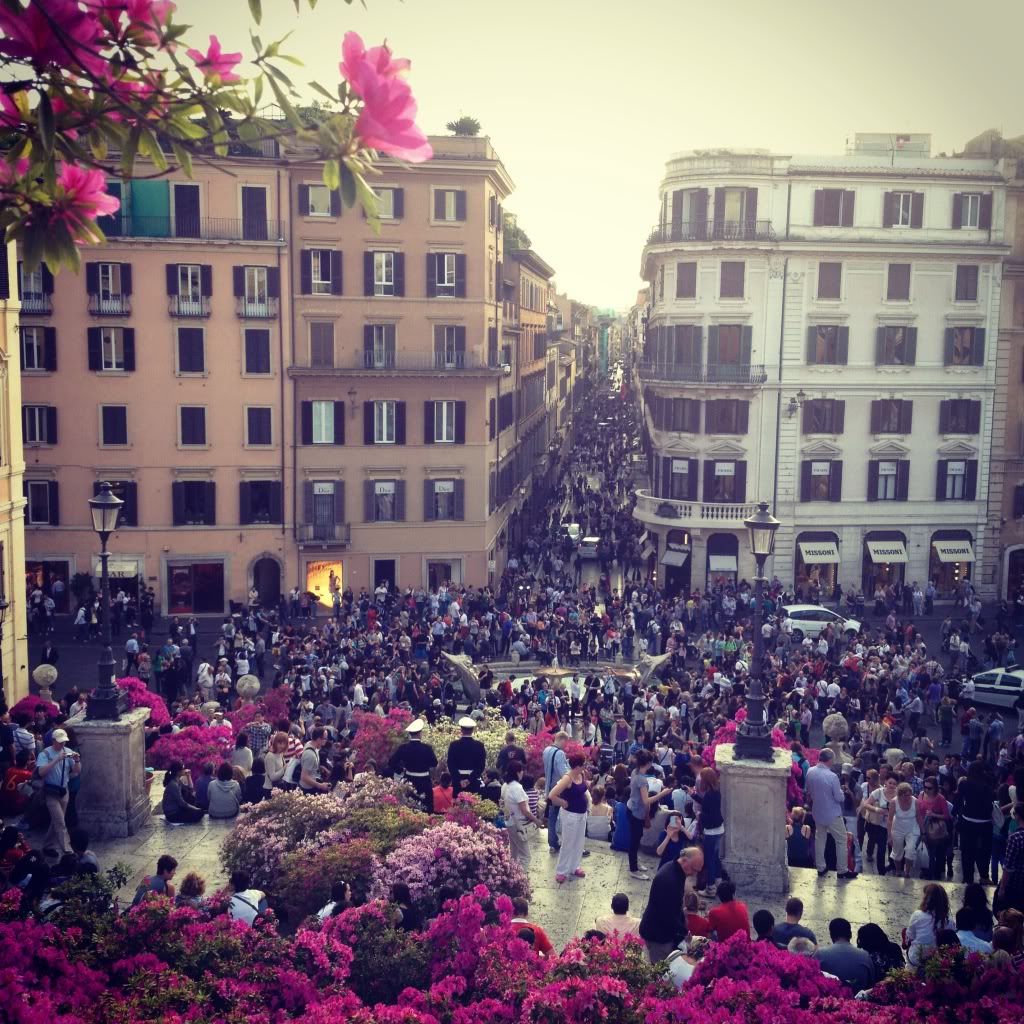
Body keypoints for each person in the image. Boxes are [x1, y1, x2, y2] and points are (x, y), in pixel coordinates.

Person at [638, 846, 703, 963]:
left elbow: (676, 907)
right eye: (694, 869)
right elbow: (668, 916)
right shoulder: (670, 880)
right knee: (660, 973)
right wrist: (682, 933)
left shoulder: (675, 869)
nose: (694, 874)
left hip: (660, 930)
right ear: (684, 860)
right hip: (658, 937)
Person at [805, 749, 855, 879]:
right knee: (841, 840)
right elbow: (839, 798)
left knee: (820, 839)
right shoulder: (832, 776)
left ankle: (821, 867)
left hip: (818, 811)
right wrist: (842, 792)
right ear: (829, 760)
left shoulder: (810, 771)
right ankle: (842, 870)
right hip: (832, 813)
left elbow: (809, 791)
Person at [34, 727, 80, 858]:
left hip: (64, 791)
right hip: (50, 791)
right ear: (53, 741)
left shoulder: (68, 751)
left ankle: (48, 846)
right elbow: (41, 772)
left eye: (64, 742)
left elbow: (77, 771)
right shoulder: (45, 754)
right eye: (60, 742)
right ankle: (68, 850)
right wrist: (56, 760)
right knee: (60, 822)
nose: (62, 744)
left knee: (56, 821)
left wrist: (77, 760)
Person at [548, 753, 590, 883]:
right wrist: (563, 803)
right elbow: (552, 795)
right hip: (570, 814)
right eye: (583, 765)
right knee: (568, 842)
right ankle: (561, 870)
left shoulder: (581, 775)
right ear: (577, 766)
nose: (585, 767)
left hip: (582, 814)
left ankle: (574, 866)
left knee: (579, 841)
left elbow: (584, 790)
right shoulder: (567, 778)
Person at [627, 750, 663, 880]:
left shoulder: (635, 772)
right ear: (648, 763)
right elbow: (646, 800)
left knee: (636, 838)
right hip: (636, 812)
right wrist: (662, 794)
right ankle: (633, 869)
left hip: (632, 808)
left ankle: (634, 862)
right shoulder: (642, 779)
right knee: (635, 840)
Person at [388, 718, 438, 813]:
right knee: (425, 808)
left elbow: (391, 762)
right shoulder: (427, 748)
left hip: (409, 781)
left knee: (409, 808)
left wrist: (401, 770)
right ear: (420, 733)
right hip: (424, 781)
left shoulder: (404, 748)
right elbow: (434, 763)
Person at [814, 917, 876, 992]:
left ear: (831, 935)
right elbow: (872, 984)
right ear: (850, 934)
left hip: (828, 1001)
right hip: (858, 1001)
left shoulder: (820, 954)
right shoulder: (865, 955)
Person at [690, 767, 724, 890]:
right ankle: (719, 881)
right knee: (715, 857)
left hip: (711, 831)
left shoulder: (710, 794)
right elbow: (706, 804)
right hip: (719, 829)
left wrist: (700, 815)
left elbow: (708, 813)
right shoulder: (715, 792)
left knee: (709, 859)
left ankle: (711, 887)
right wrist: (693, 795)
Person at [502, 761, 540, 867]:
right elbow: (524, 810)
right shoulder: (517, 788)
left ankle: (511, 876)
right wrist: (536, 820)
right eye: (522, 770)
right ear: (518, 772)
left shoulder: (505, 785)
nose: (523, 773)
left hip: (509, 822)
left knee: (513, 853)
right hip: (519, 824)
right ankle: (520, 880)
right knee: (525, 856)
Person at [904, 882, 950, 967]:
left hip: (916, 958)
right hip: (937, 960)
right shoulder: (949, 920)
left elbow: (910, 936)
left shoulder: (917, 915)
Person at [542, 731, 570, 852]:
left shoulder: (546, 750)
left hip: (548, 787)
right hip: (559, 790)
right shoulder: (560, 754)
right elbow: (563, 774)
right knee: (565, 816)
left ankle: (552, 843)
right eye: (566, 742)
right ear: (562, 740)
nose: (566, 745)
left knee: (552, 817)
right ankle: (557, 842)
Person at [446, 717, 486, 795]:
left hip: (457, 782)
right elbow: (481, 766)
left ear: (461, 730)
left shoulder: (454, 745)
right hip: (473, 781)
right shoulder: (479, 745)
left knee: (457, 804)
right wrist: (469, 780)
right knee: (474, 804)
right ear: (473, 730)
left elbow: (450, 764)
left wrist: (459, 779)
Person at [887, 781, 919, 878]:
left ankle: (907, 871)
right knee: (897, 852)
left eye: (909, 795)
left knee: (910, 850)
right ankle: (898, 870)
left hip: (912, 828)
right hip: (897, 829)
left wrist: (923, 832)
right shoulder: (894, 802)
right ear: (900, 795)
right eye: (905, 795)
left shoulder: (915, 801)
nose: (908, 797)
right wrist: (889, 836)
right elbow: (889, 819)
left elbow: (919, 817)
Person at [996, 801, 1024, 913]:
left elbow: (1008, 867)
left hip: (1015, 886)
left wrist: (1002, 889)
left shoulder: (1015, 838)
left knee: (1010, 917)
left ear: (1017, 816)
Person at [299, 727, 331, 794]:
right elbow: (304, 777)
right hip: (308, 788)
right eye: (325, 739)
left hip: (312, 784)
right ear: (319, 739)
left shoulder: (310, 744)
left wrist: (321, 768)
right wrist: (320, 786)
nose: (326, 740)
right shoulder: (310, 755)